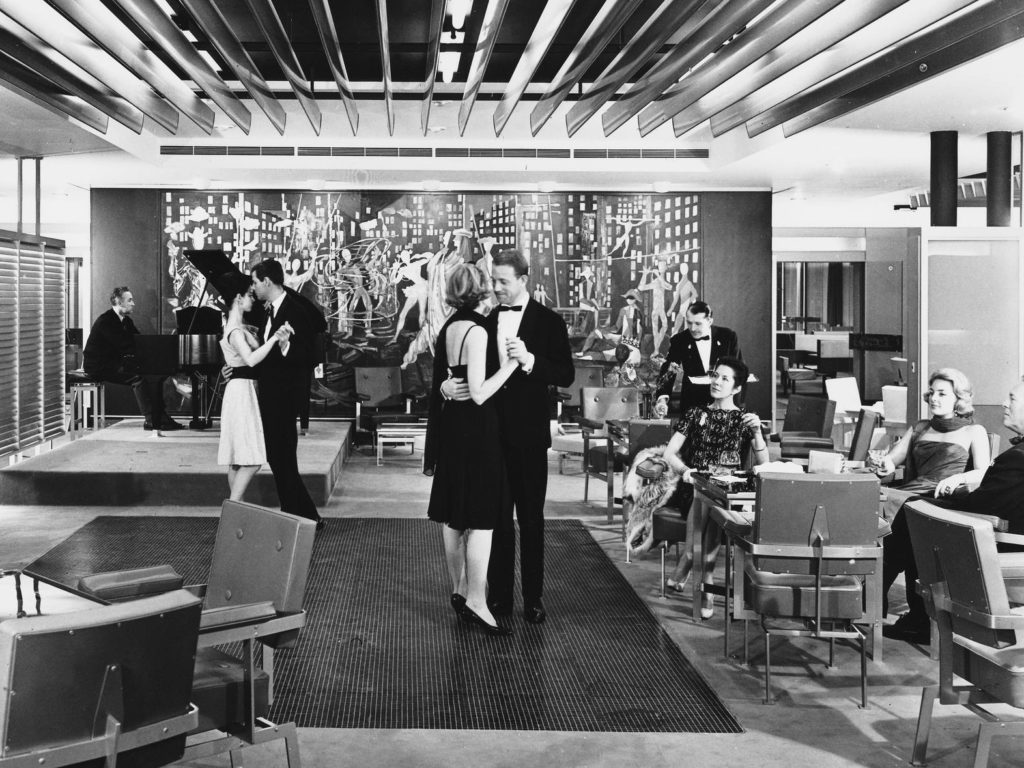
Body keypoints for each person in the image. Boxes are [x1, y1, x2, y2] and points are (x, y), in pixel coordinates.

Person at [442, 248, 574, 624]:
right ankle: (497, 598)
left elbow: (565, 373)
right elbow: (466, 373)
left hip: (530, 437)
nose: (496, 288)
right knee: (495, 522)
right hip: (490, 438)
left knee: (531, 520)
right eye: (493, 281)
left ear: (523, 279)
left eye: (503, 281)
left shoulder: (548, 321)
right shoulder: (484, 321)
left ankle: (532, 598)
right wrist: (446, 388)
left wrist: (531, 360)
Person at [882, 377, 1024, 644]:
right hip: (1003, 535)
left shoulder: (1017, 457)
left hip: (1000, 546)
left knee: (917, 515)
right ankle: (905, 610)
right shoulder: (1017, 454)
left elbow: (979, 506)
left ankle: (910, 615)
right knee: (916, 512)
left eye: (1012, 399)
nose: (1004, 403)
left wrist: (955, 491)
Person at [423, 263, 519, 637]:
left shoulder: (449, 326)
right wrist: (511, 365)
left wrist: (448, 387)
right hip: (477, 431)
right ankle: (478, 600)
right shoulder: (477, 331)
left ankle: (459, 589)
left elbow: (451, 380)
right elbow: (479, 392)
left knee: (455, 514)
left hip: (453, 427)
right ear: (480, 292)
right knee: (481, 518)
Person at [639, 357, 768, 619]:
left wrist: (757, 434)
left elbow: (764, 465)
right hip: (693, 486)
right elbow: (670, 454)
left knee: (710, 502)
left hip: (730, 493)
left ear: (736, 388)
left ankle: (688, 560)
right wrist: (687, 471)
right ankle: (705, 580)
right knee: (704, 496)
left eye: (724, 378)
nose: (717, 382)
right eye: (715, 376)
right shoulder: (695, 413)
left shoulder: (745, 420)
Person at [250, 258, 324, 529]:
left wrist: (284, 346)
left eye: (256, 282)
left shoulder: (295, 311)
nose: (254, 287)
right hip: (272, 394)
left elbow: (307, 356)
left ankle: (304, 516)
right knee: (278, 457)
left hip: (285, 396)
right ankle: (298, 513)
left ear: (267, 282)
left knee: (282, 457)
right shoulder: (270, 310)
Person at [870, 368, 990, 522]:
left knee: (876, 500)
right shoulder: (921, 427)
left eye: (942, 393)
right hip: (911, 495)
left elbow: (983, 472)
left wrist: (958, 479)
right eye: (932, 392)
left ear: (958, 399)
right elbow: (893, 459)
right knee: (869, 496)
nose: (934, 398)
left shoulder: (974, 431)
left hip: (942, 501)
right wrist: (886, 463)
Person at [217, 272, 291, 501]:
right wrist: (274, 340)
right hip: (241, 393)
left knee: (239, 459)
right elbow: (250, 360)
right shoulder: (236, 331)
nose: (253, 298)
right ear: (238, 298)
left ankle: (234, 510)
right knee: (251, 459)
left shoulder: (238, 328)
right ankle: (234, 505)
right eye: (249, 295)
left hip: (242, 390)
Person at [83, 286, 184, 431]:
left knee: (152, 376)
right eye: (129, 300)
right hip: (98, 366)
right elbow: (124, 346)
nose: (133, 303)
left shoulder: (126, 321)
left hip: (113, 363)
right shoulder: (106, 321)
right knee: (139, 377)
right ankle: (151, 419)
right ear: (119, 302)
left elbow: (139, 342)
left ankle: (161, 416)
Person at [653, 301, 741, 418]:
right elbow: (669, 370)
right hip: (692, 404)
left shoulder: (728, 336)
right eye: (689, 323)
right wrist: (662, 400)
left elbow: (738, 370)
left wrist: (735, 402)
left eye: (698, 323)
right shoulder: (679, 340)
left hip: (724, 404)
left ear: (709, 321)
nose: (692, 328)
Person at [668, 263, 698, 335]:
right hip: (685, 309)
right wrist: (689, 301)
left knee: (677, 330)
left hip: (683, 309)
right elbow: (695, 294)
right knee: (682, 330)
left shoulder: (681, 284)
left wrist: (670, 310)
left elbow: (675, 300)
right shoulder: (688, 283)